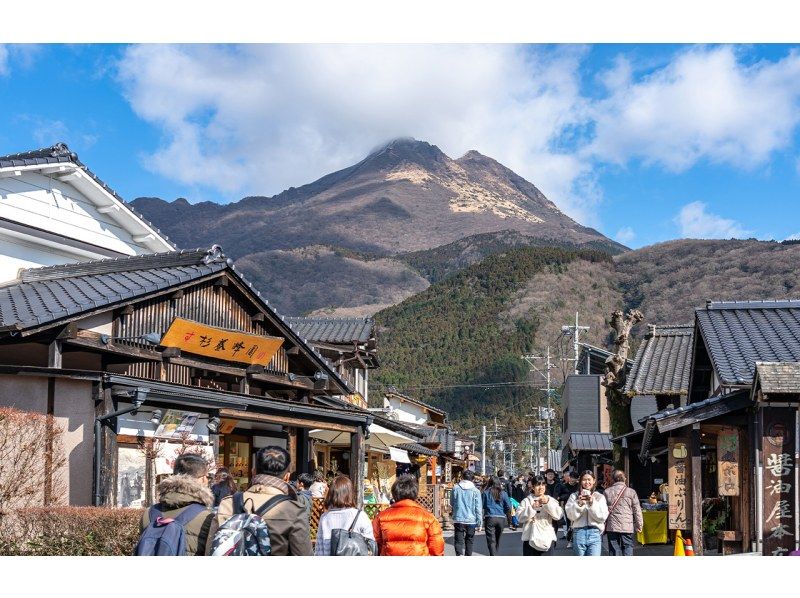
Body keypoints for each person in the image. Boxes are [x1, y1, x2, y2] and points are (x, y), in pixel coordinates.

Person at [216, 446, 312, 556]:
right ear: (287, 477)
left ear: (253, 471)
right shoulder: (294, 510)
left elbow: (212, 548)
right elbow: (303, 553)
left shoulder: (227, 504)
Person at [139, 453, 218, 555]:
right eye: (207, 477)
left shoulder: (148, 513)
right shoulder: (208, 518)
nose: (208, 480)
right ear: (202, 479)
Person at [372, 474, 444, 556]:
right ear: (415, 494)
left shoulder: (381, 517)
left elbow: (375, 543)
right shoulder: (428, 517)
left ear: (394, 493)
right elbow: (437, 547)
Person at [314, 475, 375, 556]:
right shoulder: (361, 516)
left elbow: (319, 549)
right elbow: (370, 545)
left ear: (331, 494)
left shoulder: (325, 517)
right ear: (350, 493)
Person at [516, 475, 564, 556]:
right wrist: (532, 508)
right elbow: (519, 517)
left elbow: (558, 515)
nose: (541, 487)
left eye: (543, 484)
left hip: (547, 538)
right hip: (529, 538)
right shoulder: (526, 501)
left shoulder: (551, 500)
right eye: (538, 485)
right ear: (533, 487)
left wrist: (548, 504)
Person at [565, 470, 609, 556]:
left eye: (589, 479)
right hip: (578, 533)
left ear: (594, 481)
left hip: (595, 533)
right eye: (584, 480)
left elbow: (603, 517)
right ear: (580, 481)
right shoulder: (574, 496)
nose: (587, 482)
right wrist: (579, 504)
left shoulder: (599, 497)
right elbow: (571, 516)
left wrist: (592, 503)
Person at [604, 470, 643, 556]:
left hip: (612, 526)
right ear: (624, 479)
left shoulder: (607, 492)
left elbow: (603, 511)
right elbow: (637, 510)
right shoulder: (631, 492)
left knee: (614, 548)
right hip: (627, 526)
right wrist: (639, 525)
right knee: (628, 546)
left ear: (613, 479)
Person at [450, 469, 482, 556]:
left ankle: (459, 554)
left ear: (462, 477)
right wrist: (479, 523)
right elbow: (478, 508)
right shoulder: (476, 491)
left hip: (458, 518)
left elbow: (451, 503)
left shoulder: (455, 488)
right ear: (472, 479)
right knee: (469, 541)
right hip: (471, 520)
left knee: (458, 540)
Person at [482, 475, 512, 556]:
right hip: (501, 518)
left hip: (490, 517)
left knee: (491, 539)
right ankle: (495, 552)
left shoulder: (486, 492)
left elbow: (483, 505)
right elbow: (509, 506)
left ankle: (493, 554)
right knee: (498, 538)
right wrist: (505, 512)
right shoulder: (503, 493)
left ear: (490, 482)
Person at [559, 469, 579, 548]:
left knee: (577, 524)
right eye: (572, 477)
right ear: (569, 478)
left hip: (578, 508)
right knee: (569, 525)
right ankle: (570, 540)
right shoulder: (564, 486)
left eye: (575, 477)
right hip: (568, 508)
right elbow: (560, 497)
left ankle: (576, 540)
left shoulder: (579, 486)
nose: (573, 479)